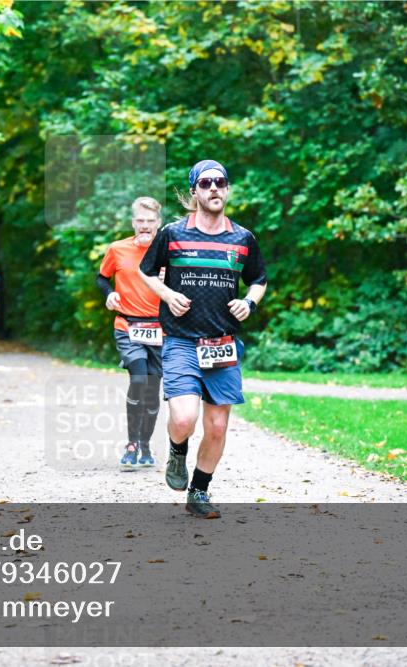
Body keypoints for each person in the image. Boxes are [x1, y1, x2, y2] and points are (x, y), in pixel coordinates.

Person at [138, 160, 267, 519]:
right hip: (181, 340)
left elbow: (259, 279)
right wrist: (166, 295)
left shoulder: (242, 238)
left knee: (217, 425)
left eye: (221, 182)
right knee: (183, 418)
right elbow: (145, 272)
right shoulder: (172, 233)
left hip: (222, 344)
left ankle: (199, 492)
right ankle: (177, 452)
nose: (214, 189)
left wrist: (249, 302)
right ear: (194, 191)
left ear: (227, 189)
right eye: (206, 183)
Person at [97, 196, 164, 471]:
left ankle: (146, 445)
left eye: (150, 221)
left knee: (152, 391)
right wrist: (109, 293)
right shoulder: (117, 249)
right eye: (140, 221)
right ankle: (131, 443)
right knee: (138, 379)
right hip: (128, 326)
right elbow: (101, 277)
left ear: (158, 223)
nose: (145, 226)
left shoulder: (168, 252)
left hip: (160, 330)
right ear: (133, 222)